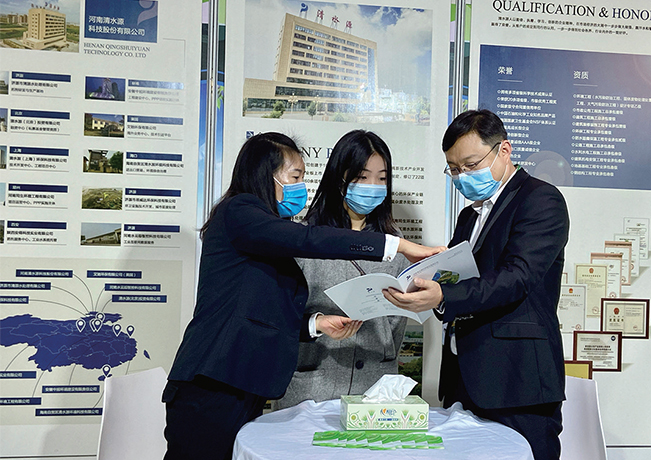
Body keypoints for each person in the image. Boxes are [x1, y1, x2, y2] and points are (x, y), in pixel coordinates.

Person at [162, 132, 441, 460]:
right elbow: (309, 239)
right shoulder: (239, 210)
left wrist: (316, 324)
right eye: (294, 177)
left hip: (243, 386)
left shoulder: (264, 234)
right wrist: (398, 245)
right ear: (266, 174)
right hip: (213, 382)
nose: (300, 187)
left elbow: (264, 314)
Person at [383, 110, 569, 460]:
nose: (462, 176)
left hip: (518, 380)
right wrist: (431, 283)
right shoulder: (469, 215)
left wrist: (444, 295)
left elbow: (517, 277)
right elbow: (462, 279)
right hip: (465, 377)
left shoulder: (540, 199)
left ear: (504, 150)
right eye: (453, 169)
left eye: (470, 165)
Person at [274, 130, 409, 410]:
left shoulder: (395, 245)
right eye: (362, 177)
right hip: (310, 390)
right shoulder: (303, 240)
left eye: (382, 178)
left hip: (374, 391)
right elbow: (280, 316)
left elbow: (396, 325)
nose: (373, 186)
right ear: (340, 178)